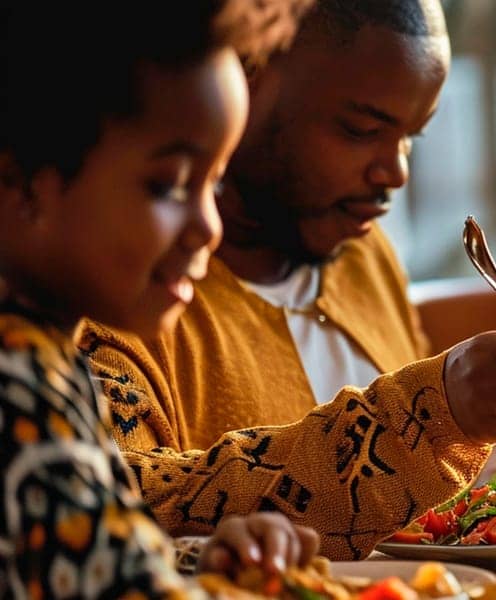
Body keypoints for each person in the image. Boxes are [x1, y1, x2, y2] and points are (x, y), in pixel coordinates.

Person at [79, 0, 496, 560]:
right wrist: (429, 414)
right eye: (361, 129)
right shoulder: (117, 292)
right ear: (248, 85)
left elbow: (424, 522)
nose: (395, 172)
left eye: (411, 136)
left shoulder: (364, 256)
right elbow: (122, 502)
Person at [0, 1, 323, 594]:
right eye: (170, 184)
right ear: (19, 182)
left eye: (215, 182)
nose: (209, 226)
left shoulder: (50, 357)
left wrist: (200, 567)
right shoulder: (19, 387)